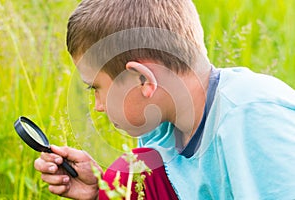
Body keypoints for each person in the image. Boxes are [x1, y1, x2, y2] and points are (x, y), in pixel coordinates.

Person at [34, 0, 295, 199]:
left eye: (97, 88)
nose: (99, 106)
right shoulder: (160, 130)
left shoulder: (254, 117)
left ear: (143, 80)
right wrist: (104, 188)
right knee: (128, 176)